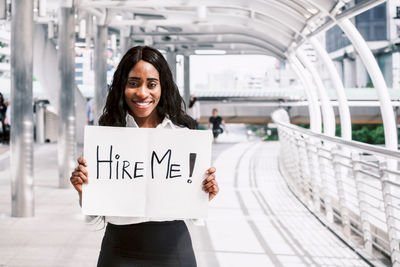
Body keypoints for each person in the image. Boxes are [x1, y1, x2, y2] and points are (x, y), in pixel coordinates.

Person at [69, 46, 219, 267]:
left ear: (162, 87)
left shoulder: (183, 138)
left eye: (151, 84)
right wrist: (84, 192)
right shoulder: (107, 139)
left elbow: (194, 214)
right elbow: (95, 212)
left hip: (174, 253)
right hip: (118, 252)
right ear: (122, 87)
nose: (142, 93)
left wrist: (205, 194)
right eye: (133, 83)